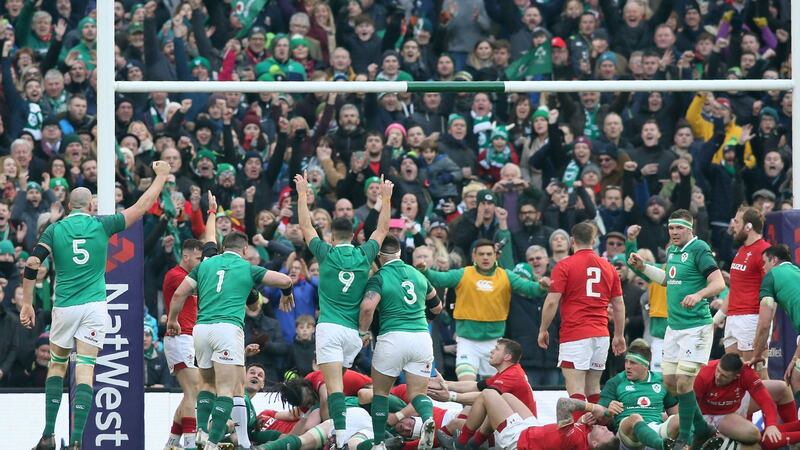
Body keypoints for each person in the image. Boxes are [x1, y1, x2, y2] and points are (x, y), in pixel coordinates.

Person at [20, 160, 171, 450]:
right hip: (95, 307)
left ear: (67, 206)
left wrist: (27, 303)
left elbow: (32, 262)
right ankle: (77, 441)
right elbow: (141, 207)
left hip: (65, 306)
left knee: (57, 365)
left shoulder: (54, 230)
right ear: (90, 205)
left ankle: (48, 434)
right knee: (86, 369)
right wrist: (161, 177)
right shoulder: (102, 224)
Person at [166, 232, 294, 450]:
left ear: (224, 247)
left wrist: (172, 320)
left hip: (201, 329)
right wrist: (287, 293)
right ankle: (213, 444)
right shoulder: (247, 268)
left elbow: (179, 294)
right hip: (227, 329)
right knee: (227, 389)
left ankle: (202, 432)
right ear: (245, 251)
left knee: (206, 384)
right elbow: (285, 280)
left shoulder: (204, 266)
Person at [294, 172, 393, 450]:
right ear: (354, 235)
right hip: (353, 332)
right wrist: (386, 199)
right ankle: (353, 434)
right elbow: (382, 230)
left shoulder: (325, 252)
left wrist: (302, 194)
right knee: (342, 381)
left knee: (334, 386)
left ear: (332, 236)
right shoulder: (364, 254)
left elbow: (305, 226)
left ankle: (338, 435)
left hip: (328, 327)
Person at [628, 209, 726, 449]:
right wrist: (643, 267)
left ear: (690, 228)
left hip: (697, 328)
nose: (674, 232)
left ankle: (684, 438)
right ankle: (702, 428)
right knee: (671, 384)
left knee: (684, 384)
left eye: (679, 228)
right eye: (671, 228)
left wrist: (698, 294)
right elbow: (666, 279)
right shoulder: (673, 250)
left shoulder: (699, 248)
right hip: (674, 327)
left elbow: (719, 282)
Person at [419, 238, 548, 381]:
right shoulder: (464, 274)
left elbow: (529, 288)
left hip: (494, 344)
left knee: (491, 389)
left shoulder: (506, 276)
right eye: (481, 254)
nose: (485, 257)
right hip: (467, 342)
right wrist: (425, 271)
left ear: (495, 255)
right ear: (474, 256)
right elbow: (439, 278)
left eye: (489, 254)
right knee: (466, 385)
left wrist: (541, 287)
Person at [358, 235, 443, 450]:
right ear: (399, 253)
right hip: (422, 338)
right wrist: (424, 322)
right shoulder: (418, 275)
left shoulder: (380, 277)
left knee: (380, 393)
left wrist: (362, 332)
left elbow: (368, 307)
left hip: (393, 337)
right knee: (417, 394)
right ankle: (427, 419)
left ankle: (378, 443)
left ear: (379, 256)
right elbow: (437, 307)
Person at [538, 221, 626, 405]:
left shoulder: (564, 266)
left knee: (575, 389)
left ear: (572, 241)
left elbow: (552, 301)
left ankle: (580, 432)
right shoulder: (608, 267)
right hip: (601, 334)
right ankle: (595, 432)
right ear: (594, 240)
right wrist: (618, 334)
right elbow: (618, 303)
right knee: (593, 388)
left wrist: (543, 329)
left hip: (575, 334)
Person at [440, 388, 617, 450]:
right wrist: (583, 422)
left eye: (606, 433)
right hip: (533, 430)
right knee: (507, 397)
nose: (605, 429)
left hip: (519, 440)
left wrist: (593, 407)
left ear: (595, 444)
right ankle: (473, 444)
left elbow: (563, 403)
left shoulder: (575, 440)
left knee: (488, 394)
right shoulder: (586, 436)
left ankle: (460, 444)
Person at [694, 353, 798, 450]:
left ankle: (793, 442)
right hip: (709, 415)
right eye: (718, 371)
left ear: (736, 376)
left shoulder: (746, 373)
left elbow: (765, 400)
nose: (718, 376)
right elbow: (690, 405)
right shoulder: (705, 374)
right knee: (755, 442)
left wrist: (771, 425)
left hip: (734, 405)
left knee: (782, 388)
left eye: (724, 376)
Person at [714, 207, 770, 372]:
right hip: (733, 319)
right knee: (732, 376)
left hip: (751, 319)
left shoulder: (764, 251)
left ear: (748, 227)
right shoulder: (741, 250)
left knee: (756, 376)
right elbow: (735, 290)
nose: (733, 225)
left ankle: (781, 398)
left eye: (737, 221)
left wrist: (763, 326)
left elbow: (770, 292)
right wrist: (716, 320)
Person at [598, 339, 678, 450]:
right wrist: (608, 412)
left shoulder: (661, 381)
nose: (627, 366)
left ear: (646, 365)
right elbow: (599, 421)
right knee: (635, 418)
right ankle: (662, 446)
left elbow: (675, 414)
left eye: (633, 362)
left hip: (655, 430)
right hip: (628, 435)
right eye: (626, 361)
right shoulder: (615, 382)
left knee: (682, 419)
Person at [751, 245, 800, 385]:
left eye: (765, 262)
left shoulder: (771, 276)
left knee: (796, 378)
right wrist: (794, 360)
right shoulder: (796, 271)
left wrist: (757, 355)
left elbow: (765, 323)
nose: (763, 267)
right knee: (795, 377)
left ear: (774, 260)